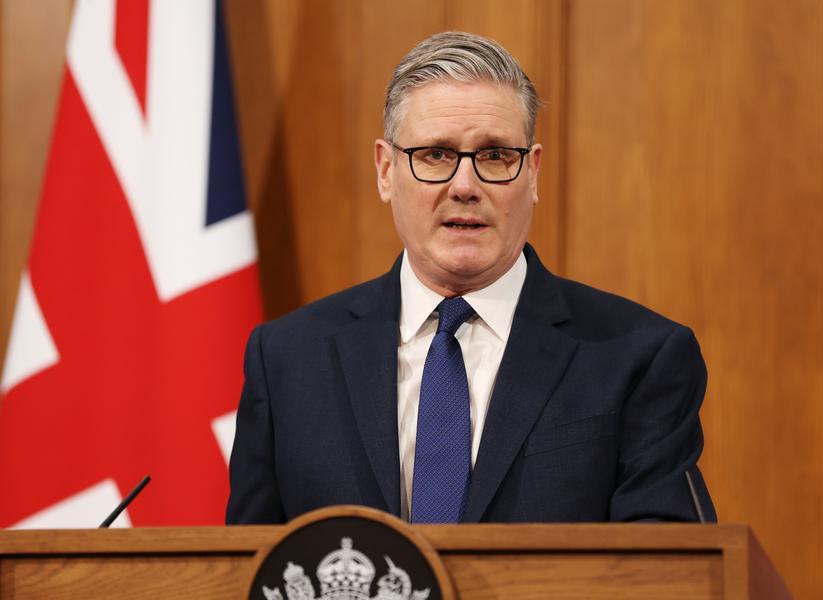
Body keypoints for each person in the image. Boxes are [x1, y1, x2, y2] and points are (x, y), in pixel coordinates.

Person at [226, 31, 716, 525]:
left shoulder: (639, 357)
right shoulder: (287, 359)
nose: (465, 186)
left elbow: (667, 569)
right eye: (436, 155)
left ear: (534, 173)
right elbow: (246, 571)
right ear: (385, 170)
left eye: (496, 155)